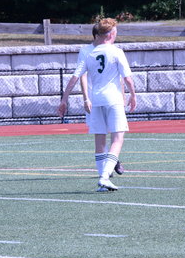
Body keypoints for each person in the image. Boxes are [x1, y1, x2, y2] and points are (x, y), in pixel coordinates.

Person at [58, 18, 137, 191]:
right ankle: (104, 176)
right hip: (113, 100)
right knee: (118, 138)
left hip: (96, 101)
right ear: (111, 34)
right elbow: (127, 78)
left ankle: (103, 181)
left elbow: (75, 77)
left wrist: (64, 99)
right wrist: (133, 95)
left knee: (99, 140)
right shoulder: (117, 52)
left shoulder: (89, 53)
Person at [78, 22, 124, 175]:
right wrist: (86, 98)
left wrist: (123, 95)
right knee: (100, 133)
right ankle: (106, 169)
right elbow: (82, 76)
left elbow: (120, 76)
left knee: (115, 130)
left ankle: (111, 161)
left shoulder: (112, 50)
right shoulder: (86, 51)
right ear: (96, 35)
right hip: (94, 98)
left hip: (111, 97)